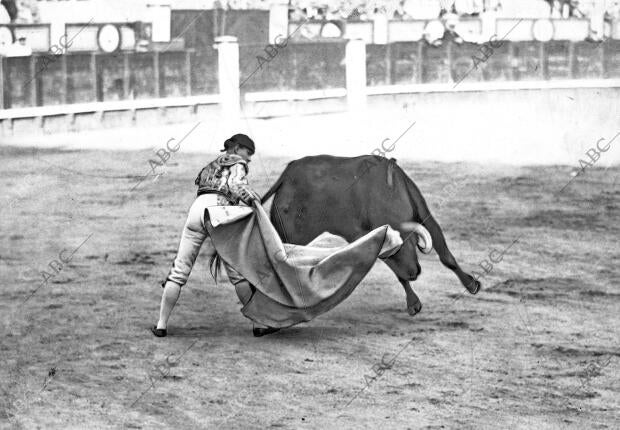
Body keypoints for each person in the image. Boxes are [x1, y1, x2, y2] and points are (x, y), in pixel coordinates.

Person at [152, 133, 262, 338]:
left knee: (179, 269)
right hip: (219, 212)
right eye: (247, 153)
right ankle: (258, 325)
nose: (248, 159)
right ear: (237, 149)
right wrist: (255, 202)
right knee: (237, 273)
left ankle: (161, 324)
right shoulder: (237, 163)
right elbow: (237, 186)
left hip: (196, 210)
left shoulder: (211, 164)